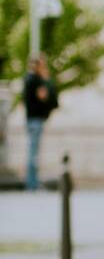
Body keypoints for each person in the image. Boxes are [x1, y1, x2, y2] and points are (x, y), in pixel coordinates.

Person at [22, 53, 58, 190]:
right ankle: (32, 184)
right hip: (36, 120)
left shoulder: (28, 79)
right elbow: (45, 97)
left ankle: (32, 183)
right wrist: (47, 81)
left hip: (32, 119)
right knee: (34, 153)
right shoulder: (36, 80)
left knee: (33, 152)